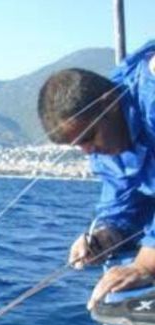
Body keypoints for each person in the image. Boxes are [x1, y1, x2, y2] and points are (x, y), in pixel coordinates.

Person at [38, 41, 155, 310]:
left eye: (89, 137)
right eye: (79, 145)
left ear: (110, 104)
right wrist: (106, 235)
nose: (88, 151)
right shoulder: (108, 147)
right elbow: (122, 199)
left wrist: (147, 263)